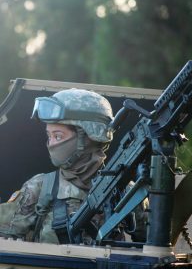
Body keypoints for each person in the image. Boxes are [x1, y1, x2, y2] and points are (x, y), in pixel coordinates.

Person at [0, 88, 147, 244]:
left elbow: (151, 250)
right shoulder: (40, 187)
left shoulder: (126, 192)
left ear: (89, 137)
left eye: (58, 136)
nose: (51, 144)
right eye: (49, 136)